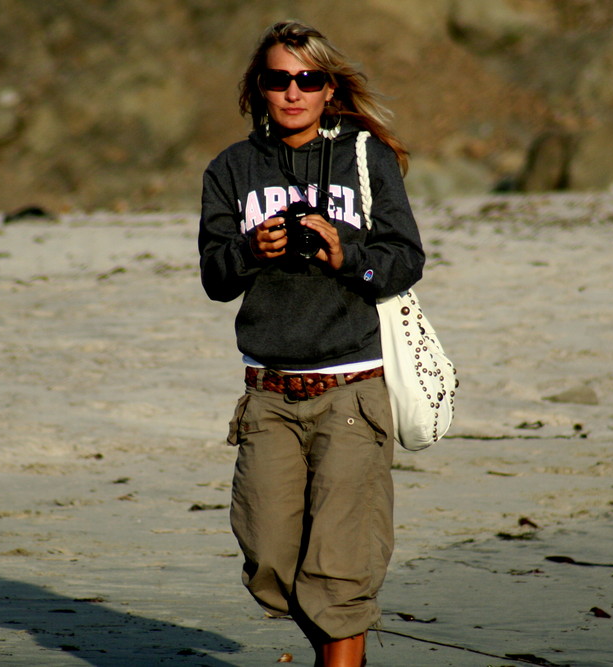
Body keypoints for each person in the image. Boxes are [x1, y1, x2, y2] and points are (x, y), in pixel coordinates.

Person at [198, 20, 424, 667]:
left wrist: (345, 252)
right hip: (267, 395)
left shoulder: (364, 156)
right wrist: (249, 249)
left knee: (339, 571)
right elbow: (215, 278)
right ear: (257, 88)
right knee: (270, 561)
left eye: (308, 79)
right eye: (278, 79)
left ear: (329, 88)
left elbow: (405, 258)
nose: (293, 92)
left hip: (351, 389)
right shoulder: (231, 170)